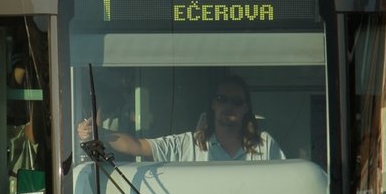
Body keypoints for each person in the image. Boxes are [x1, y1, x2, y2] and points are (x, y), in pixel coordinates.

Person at [77, 74, 284, 162]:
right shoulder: (188, 145)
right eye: (222, 99)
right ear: (213, 104)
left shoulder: (265, 145)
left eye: (236, 101)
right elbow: (139, 146)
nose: (229, 106)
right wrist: (100, 134)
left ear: (246, 108)